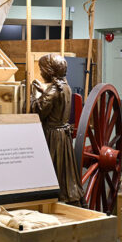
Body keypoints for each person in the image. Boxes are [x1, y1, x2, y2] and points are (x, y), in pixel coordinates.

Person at [30, 54, 84, 206]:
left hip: (52, 136)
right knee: (65, 171)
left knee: (53, 168)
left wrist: (34, 95)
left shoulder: (53, 91)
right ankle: (69, 196)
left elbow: (37, 111)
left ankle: (51, 200)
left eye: (41, 70)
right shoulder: (66, 87)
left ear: (49, 71)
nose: (40, 73)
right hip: (63, 135)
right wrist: (43, 90)